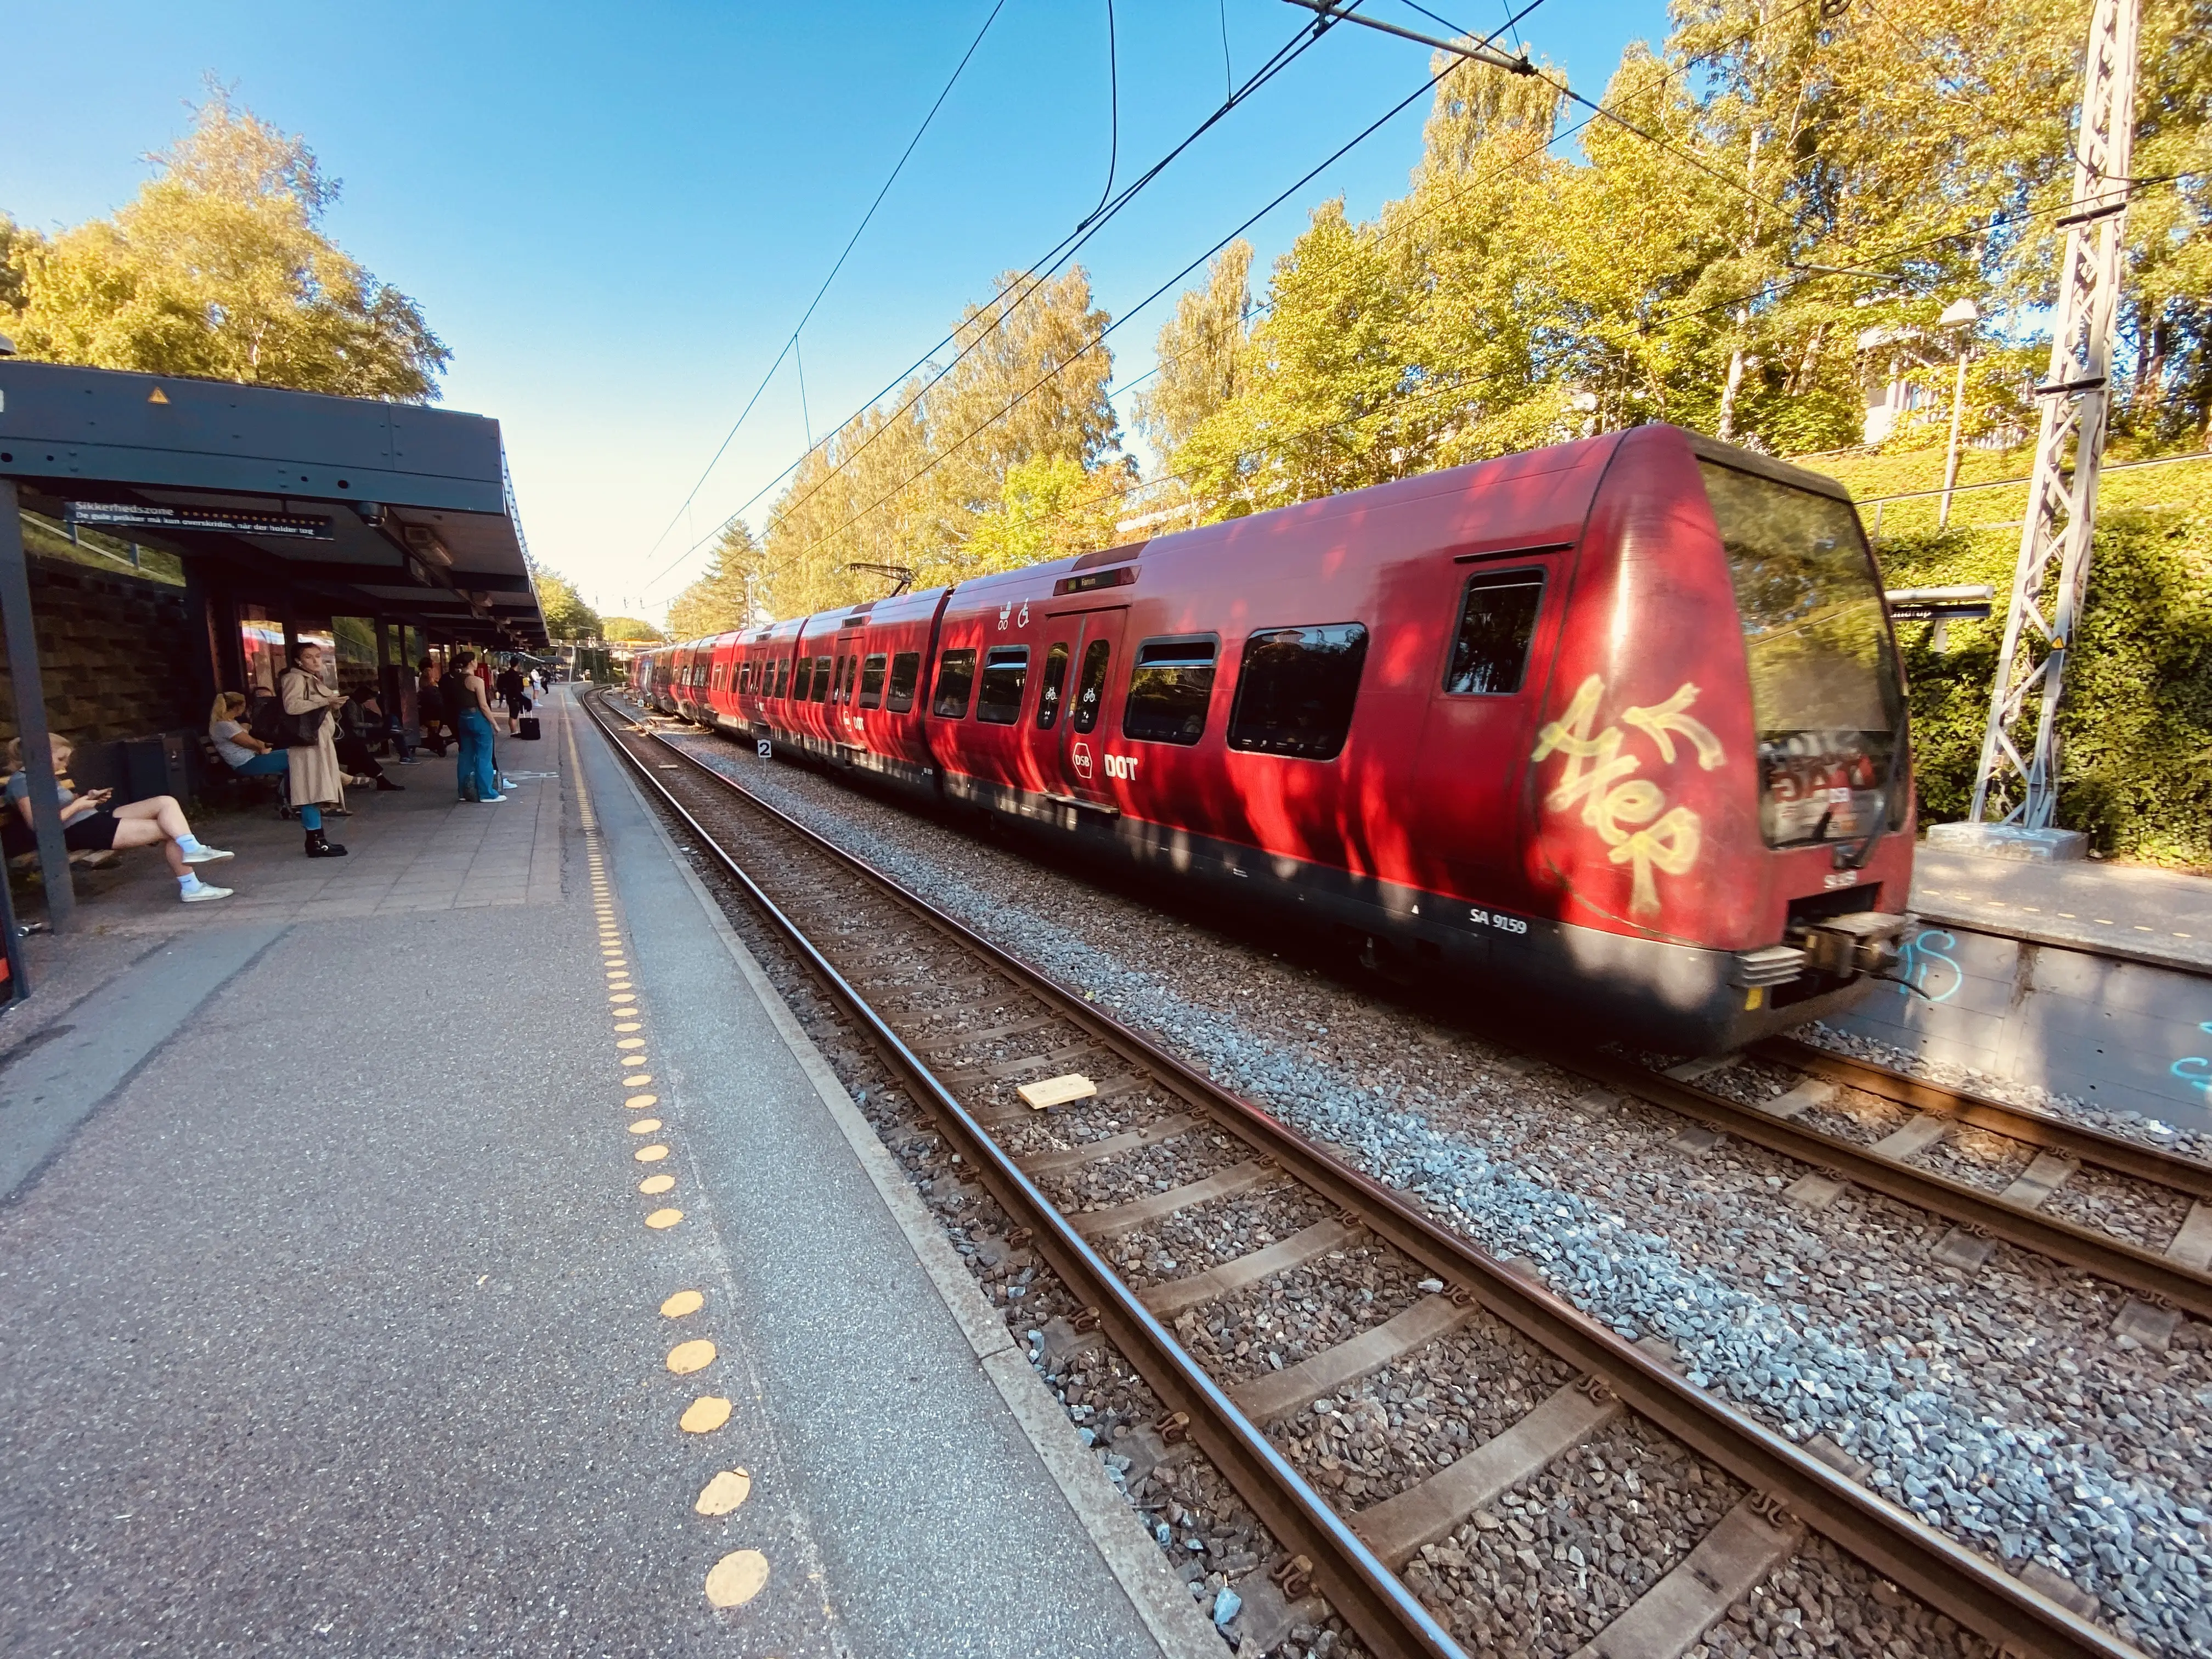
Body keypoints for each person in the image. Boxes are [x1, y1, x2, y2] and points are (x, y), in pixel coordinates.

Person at [4, 735, 234, 902]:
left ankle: (194, 848)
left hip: (89, 819)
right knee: (170, 831)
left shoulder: (42, 776)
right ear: (42, 754)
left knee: (165, 802)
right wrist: (79, 805)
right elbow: (38, 824)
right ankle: (192, 888)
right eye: (61, 759)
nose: (64, 766)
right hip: (76, 831)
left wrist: (88, 798)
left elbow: (59, 805)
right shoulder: (23, 781)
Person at [280, 644, 352, 857]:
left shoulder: (310, 679)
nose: (315, 661)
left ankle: (318, 839)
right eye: (309, 657)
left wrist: (331, 705)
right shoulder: (294, 679)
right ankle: (315, 841)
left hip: (318, 742)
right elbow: (291, 706)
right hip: (307, 744)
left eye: (317, 656)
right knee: (311, 789)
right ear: (298, 661)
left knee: (316, 789)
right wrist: (325, 700)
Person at [447, 649, 506, 803]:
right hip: (477, 718)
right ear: (472, 663)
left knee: (465, 755)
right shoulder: (476, 681)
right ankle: (487, 793)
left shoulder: (454, 680)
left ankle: (464, 792)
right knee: (484, 756)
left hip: (462, 718)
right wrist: (495, 724)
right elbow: (484, 706)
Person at [208, 691, 290, 780]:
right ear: (237, 707)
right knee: (294, 757)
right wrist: (263, 748)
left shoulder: (230, 723)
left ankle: (286, 790)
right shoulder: (225, 725)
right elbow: (250, 743)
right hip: (246, 764)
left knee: (292, 755)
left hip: (251, 759)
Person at [337, 688, 403, 791]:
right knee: (361, 752)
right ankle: (381, 780)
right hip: (348, 738)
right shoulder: (351, 704)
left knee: (361, 755)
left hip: (353, 738)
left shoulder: (360, 705)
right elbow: (354, 723)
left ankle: (373, 778)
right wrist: (373, 725)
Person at [416, 658, 449, 757]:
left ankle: (433, 741)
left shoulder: (421, 678)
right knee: (435, 725)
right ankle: (437, 743)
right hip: (434, 708)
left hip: (428, 707)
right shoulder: (429, 677)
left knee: (433, 727)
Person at [495, 661, 529, 736]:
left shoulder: (506, 674)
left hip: (509, 696)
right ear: (518, 664)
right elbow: (520, 687)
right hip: (515, 696)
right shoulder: (516, 675)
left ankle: (514, 730)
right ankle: (514, 731)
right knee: (514, 714)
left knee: (513, 713)